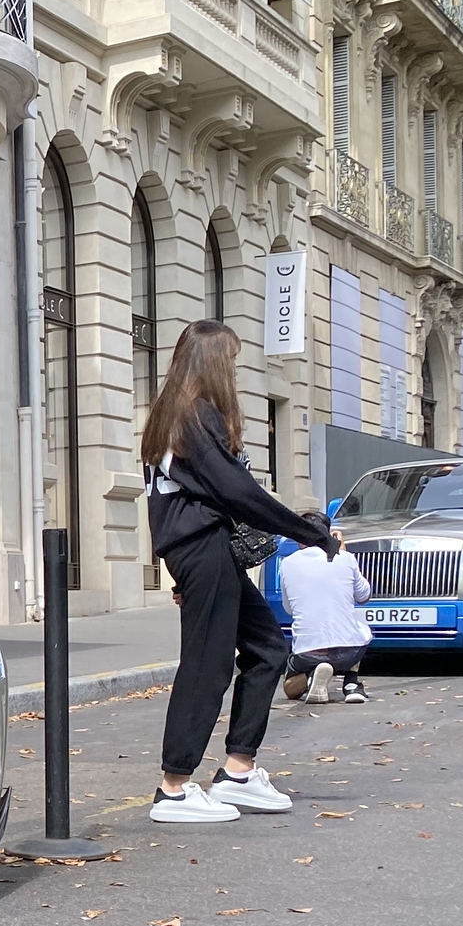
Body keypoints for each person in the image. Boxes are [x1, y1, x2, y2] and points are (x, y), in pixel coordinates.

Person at [141, 321, 338, 823]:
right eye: (229, 360)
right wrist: (309, 532)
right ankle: (174, 787)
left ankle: (238, 771)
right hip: (203, 550)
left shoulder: (178, 414)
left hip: (207, 551)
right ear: (211, 364)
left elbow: (216, 495)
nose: (233, 370)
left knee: (269, 649)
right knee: (206, 666)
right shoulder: (190, 416)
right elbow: (238, 493)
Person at [277, 522, 372, 704]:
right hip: (348, 652)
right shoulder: (345, 558)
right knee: (358, 629)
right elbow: (364, 596)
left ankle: (313, 674)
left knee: (290, 688)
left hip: (308, 652)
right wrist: (342, 553)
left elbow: (289, 609)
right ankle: (351, 684)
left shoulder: (287, 563)